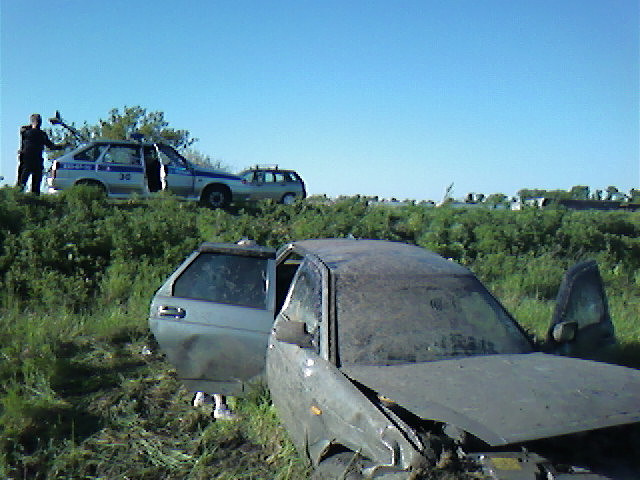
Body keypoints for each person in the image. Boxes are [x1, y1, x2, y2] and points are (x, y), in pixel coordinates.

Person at [17, 113, 66, 194]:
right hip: (28, 160)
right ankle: (21, 197)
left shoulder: (37, 133)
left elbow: (51, 146)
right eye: (38, 121)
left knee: (32, 184)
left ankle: (33, 200)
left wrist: (62, 146)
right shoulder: (29, 132)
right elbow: (51, 146)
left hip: (35, 160)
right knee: (22, 182)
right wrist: (62, 146)